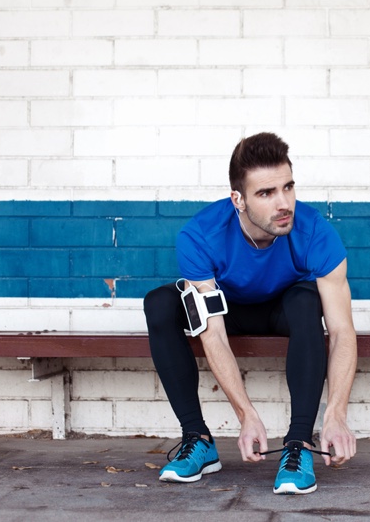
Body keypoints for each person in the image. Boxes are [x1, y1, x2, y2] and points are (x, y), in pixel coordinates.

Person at [143, 132, 357, 495]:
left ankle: (299, 443)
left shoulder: (315, 231)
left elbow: (341, 332)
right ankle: (199, 439)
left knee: (307, 300)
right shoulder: (200, 235)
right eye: (266, 193)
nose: (283, 202)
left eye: (288, 187)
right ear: (237, 199)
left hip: (285, 308)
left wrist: (336, 413)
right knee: (159, 302)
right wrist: (246, 415)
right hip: (230, 311)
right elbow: (212, 333)